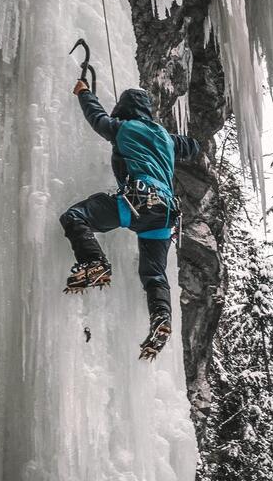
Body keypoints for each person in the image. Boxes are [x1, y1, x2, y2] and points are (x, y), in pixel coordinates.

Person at [60, 79, 200, 360]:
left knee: (75, 216)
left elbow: (97, 117)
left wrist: (84, 92)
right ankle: (161, 318)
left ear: (123, 111)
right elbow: (193, 146)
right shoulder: (166, 138)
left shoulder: (122, 127)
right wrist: (177, 143)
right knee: (154, 274)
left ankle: (94, 262)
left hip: (138, 202)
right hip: (164, 216)